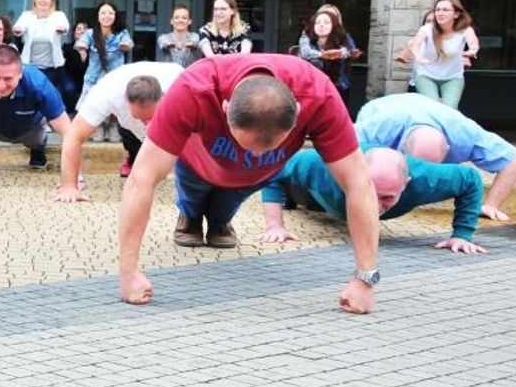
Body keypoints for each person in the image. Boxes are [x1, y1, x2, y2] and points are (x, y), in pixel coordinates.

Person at [118, 54, 379, 314]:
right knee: (193, 203)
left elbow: (359, 183)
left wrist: (365, 279)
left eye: (267, 148)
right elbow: (141, 179)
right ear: (225, 107)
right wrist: (128, 273)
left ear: (298, 112)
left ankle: (219, 220)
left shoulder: (319, 95)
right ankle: (191, 216)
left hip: (251, 181)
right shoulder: (193, 89)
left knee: (222, 215)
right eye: (248, 146)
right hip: (198, 165)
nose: (253, 156)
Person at [259, 147, 486, 254]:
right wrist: (275, 225)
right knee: (293, 190)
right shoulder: (320, 164)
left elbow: (471, 179)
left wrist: (462, 235)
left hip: (342, 198)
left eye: (387, 197)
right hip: (313, 195)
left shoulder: (426, 179)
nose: (374, 207)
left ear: (406, 183)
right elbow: (272, 171)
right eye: (369, 193)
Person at [355, 92, 516, 221]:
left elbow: (515, 159)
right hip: (387, 106)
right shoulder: (378, 127)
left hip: (435, 114)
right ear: (402, 147)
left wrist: (490, 205)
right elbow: (339, 149)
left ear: (448, 150)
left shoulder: (465, 135)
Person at [54, 61, 183, 202]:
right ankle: (134, 157)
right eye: (140, 117)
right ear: (124, 101)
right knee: (142, 172)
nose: (146, 124)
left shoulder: (181, 84)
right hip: (131, 131)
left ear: (163, 97)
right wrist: (69, 186)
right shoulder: (108, 92)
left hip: (177, 125)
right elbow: (74, 135)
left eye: (150, 117)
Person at [406, 0, 479, 109]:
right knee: (433, 107)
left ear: (456, 14)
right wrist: (419, 56)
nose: (440, 13)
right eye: (438, 10)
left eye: (445, 10)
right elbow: (415, 45)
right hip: (426, 76)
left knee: (449, 108)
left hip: (453, 77)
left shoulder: (465, 30)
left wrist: (471, 51)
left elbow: (474, 45)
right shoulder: (426, 29)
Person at [13, 0, 72, 106]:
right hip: (31, 66)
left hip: (52, 67)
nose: (43, 0)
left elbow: (65, 26)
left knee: (49, 95)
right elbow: (20, 26)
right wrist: (18, 29)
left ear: (52, 1)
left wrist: (62, 29)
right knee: (34, 95)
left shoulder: (58, 15)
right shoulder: (27, 16)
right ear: (35, 0)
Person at [296, 3, 361, 106]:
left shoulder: (343, 38)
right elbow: (305, 53)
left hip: (337, 85)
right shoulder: (307, 36)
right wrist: (324, 55)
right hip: (311, 87)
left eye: (329, 19)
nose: (322, 24)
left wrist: (341, 53)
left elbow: (350, 52)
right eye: (319, 20)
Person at [76, 1, 132, 101]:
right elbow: (81, 43)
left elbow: (128, 43)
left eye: (110, 13)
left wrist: (125, 45)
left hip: (115, 81)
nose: (107, 16)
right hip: (92, 80)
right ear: (98, 16)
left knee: (114, 113)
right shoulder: (90, 33)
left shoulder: (122, 33)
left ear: (115, 16)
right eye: (103, 13)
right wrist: (82, 46)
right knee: (88, 112)